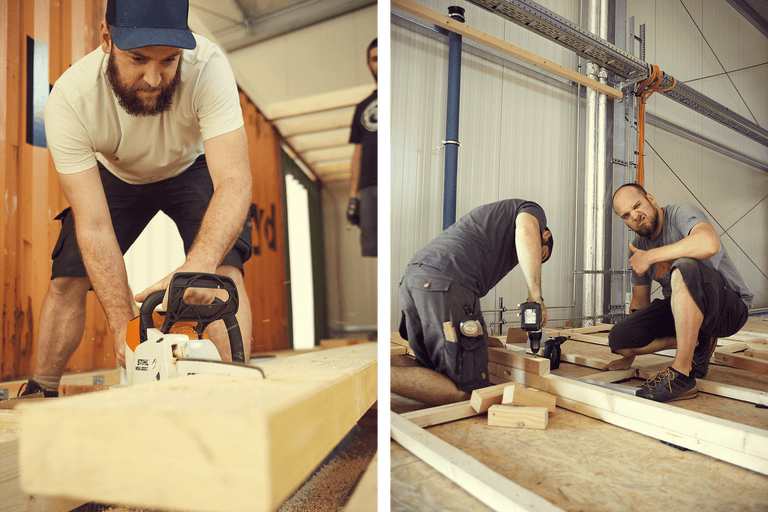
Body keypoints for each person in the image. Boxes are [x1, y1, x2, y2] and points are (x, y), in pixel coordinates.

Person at [13, 0, 254, 401]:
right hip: (117, 173)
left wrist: (197, 266)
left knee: (222, 272)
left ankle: (236, 389)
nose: (154, 77)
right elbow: (93, 226)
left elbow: (234, 180)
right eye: (138, 59)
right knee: (68, 276)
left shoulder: (209, 66)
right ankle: (42, 388)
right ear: (107, 38)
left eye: (169, 61)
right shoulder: (71, 99)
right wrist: (124, 324)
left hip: (191, 166)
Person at [392, 200, 553, 405]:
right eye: (540, 254)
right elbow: (527, 228)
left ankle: (370, 369)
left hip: (415, 279)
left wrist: (481, 339)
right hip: (442, 283)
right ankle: (374, 377)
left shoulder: (490, 226)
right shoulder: (531, 210)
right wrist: (535, 294)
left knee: (430, 368)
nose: (534, 259)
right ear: (545, 234)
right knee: (467, 392)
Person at [605, 184, 752, 402]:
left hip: (728, 308)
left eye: (637, 206)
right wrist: (630, 356)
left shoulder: (681, 213)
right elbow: (640, 301)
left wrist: (651, 256)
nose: (635, 216)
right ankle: (697, 342)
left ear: (651, 199)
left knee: (684, 266)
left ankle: (682, 374)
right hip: (682, 308)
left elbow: (709, 243)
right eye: (626, 215)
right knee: (619, 339)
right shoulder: (638, 246)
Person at [346, 38, 379, 257]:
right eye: (375, 59)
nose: (380, 63)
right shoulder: (361, 108)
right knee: (377, 250)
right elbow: (357, 153)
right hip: (369, 188)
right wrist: (352, 196)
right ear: (368, 64)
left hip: (397, 181)